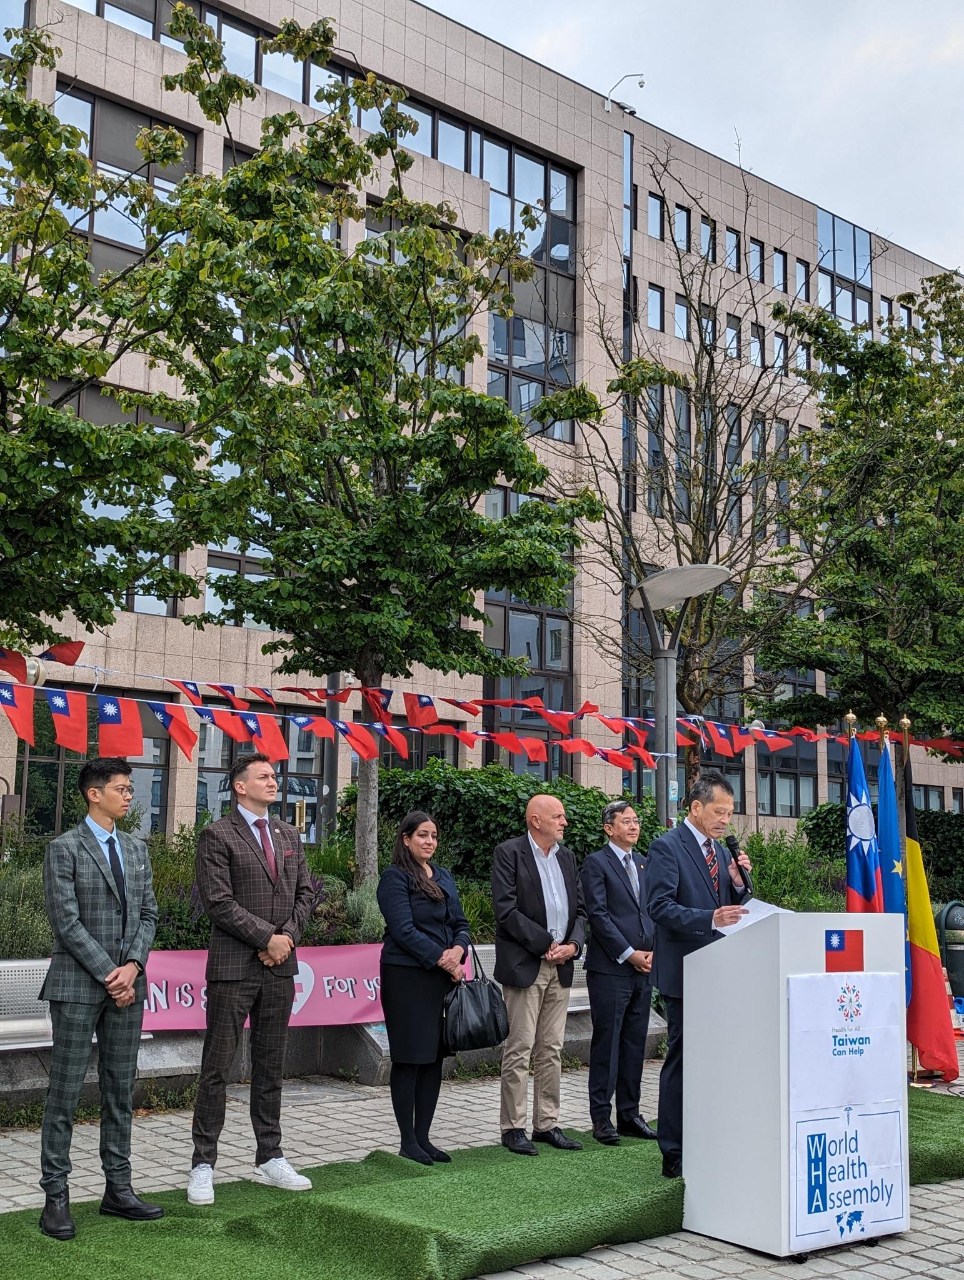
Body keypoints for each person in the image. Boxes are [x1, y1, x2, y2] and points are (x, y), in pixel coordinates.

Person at [38, 757, 162, 1240]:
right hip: (77, 986)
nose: (129, 795)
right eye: (121, 788)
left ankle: (118, 1189)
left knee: (120, 1090)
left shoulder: (135, 848)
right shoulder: (64, 849)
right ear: (94, 794)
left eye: (130, 789)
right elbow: (65, 922)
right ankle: (55, 1196)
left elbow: (149, 914)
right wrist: (112, 973)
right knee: (65, 1093)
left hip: (127, 987)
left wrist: (132, 966)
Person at [188, 752, 317, 1205]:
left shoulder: (287, 833)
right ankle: (203, 1164)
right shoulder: (217, 834)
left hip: (279, 968)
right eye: (263, 776)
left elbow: (306, 892)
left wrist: (286, 939)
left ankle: (270, 1155)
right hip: (233, 968)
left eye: (273, 775)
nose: (273, 781)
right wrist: (267, 938)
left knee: (270, 1065)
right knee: (217, 1069)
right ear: (240, 786)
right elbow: (218, 902)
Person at [645, 770, 751, 1178]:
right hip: (685, 973)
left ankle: (709, 1138)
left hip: (718, 971)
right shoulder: (667, 847)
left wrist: (738, 884)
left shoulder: (721, 853)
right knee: (684, 1059)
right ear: (695, 807)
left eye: (730, 813)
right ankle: (673, 1150)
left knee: (714, 1060)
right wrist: (709, 917)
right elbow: (659, 907)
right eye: (719, 811)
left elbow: (729, 906)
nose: (726, 820)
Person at [492, 794, 588, 1156]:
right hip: (526, 964)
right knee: (520, 1048)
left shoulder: (566, 856)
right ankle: (513, 1127)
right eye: (558, 816)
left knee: (552, 1048)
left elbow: (581, 911)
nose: (564, 822)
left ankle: (546, 1123)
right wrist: (545, 943)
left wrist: (573, 945)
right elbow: (506, 910)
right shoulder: (509, 853)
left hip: (561, 964)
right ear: (536, 820)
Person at [376, 810, 470, 1164]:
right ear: (406, 839)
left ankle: (424, 1138)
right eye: (422, 835)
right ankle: (407, 1141)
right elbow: (403, 930)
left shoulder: (442, 875)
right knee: (410, 1058)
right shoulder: (394, 877)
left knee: (433, 1058)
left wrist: (458, 951)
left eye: (433, 836)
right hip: (407, 977)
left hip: (440, 978)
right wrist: (442, 959)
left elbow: (461, 923)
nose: (429, 842)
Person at [581, 800, 657, 1146]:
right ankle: (601, 1118)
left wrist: (652, 951)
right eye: (626, 821)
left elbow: (651, 910)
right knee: (607, 1044)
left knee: (634, 1043)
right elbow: (598, 916)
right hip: (611, 968)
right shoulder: (597, 863)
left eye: (636, 821)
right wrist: (629, 954)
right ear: (608, 828)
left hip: (645, 968)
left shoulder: (643, 863)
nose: (634, 826)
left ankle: (630, 1114)